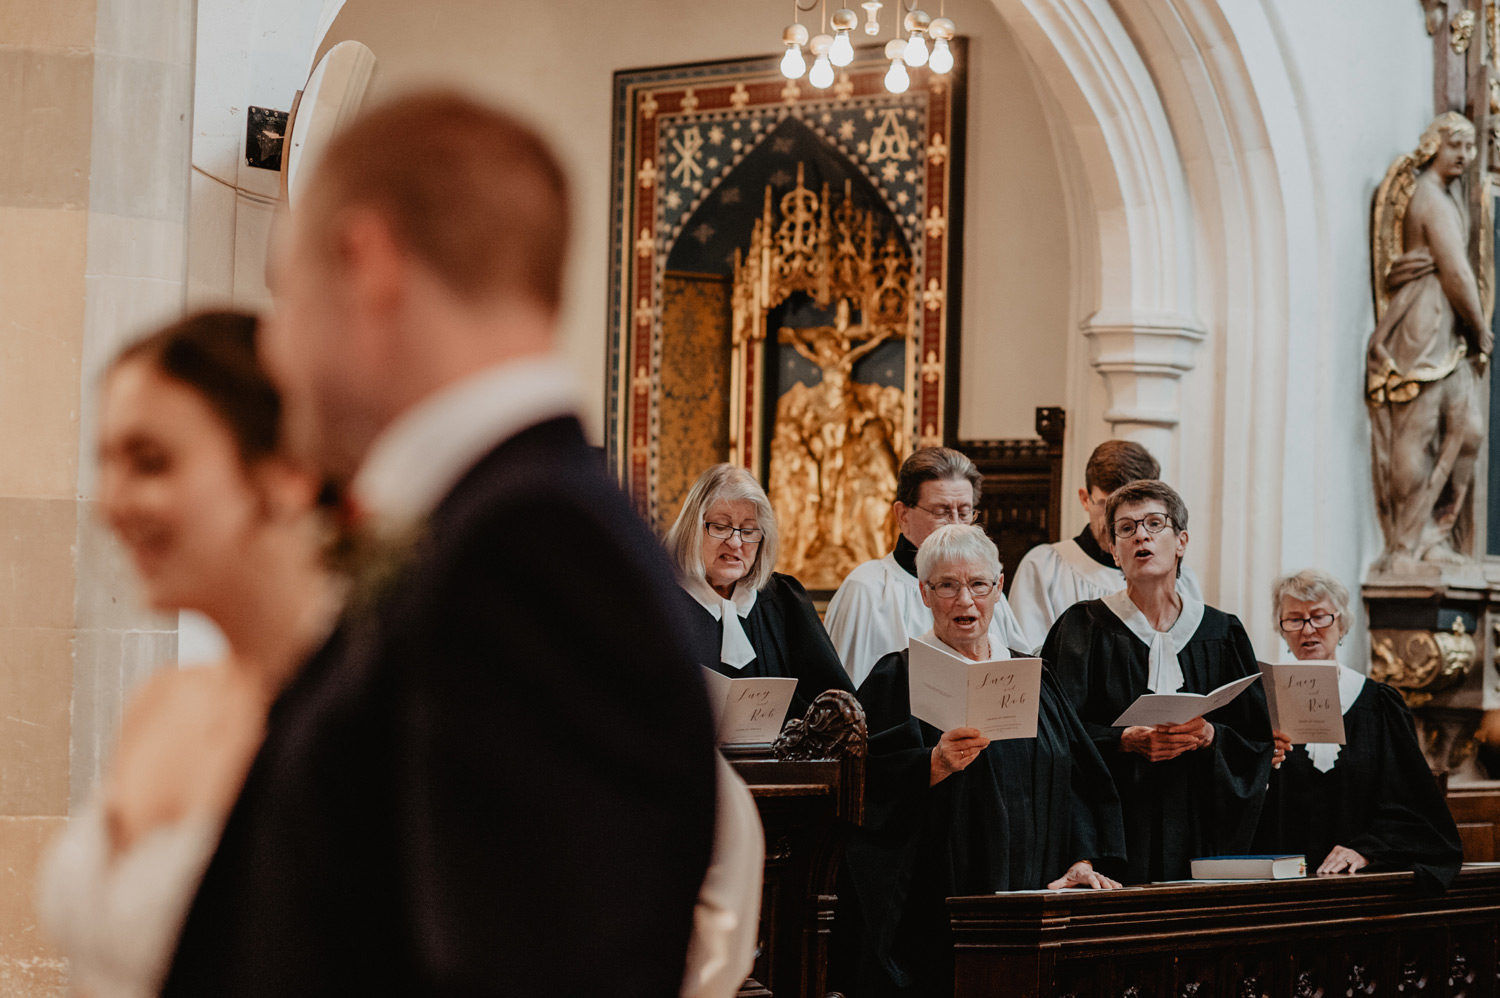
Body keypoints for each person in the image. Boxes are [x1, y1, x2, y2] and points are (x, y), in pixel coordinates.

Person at [161, 92, 719, 995]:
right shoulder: (494, 531)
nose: (272, 351)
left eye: (284, 292)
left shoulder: (534, 561)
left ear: (366, 261)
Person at [38, 310, 341, 997]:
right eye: (106, 464)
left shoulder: (365, 710)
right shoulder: (163, 703)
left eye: (150, 463)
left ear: (285, 473)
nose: (110, 504)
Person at [838, 525, 1125, 997]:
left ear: (999, 587)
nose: (965, 601)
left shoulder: (1036, 679)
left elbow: (1078, 779)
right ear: (924, 593)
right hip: (941, 920)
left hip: (1039, 903)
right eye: (947, 585)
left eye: (978, 585)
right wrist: (929, 766)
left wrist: (1081, 857)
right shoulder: (898, 678)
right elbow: (861, 793)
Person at [1043, 479, 1274, 883]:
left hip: (1200, 826)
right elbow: (1055, 736)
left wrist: (1209, 735)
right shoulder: (1082, 628)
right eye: (1126, 529)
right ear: (1114, 550)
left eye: (1154, 523)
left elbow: (1255, 740)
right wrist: (1124, 740)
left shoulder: (1222, 632)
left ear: (1181, 541)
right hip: (1115, 829)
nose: (1141, 537)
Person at [1253, 570, 1462, 891]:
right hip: (1280, 885)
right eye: (1293, 620)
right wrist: (1259, 765)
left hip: (1361, 882)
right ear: (1282, 631)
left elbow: (1412, 807)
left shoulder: (1379, 705)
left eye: (1319, 617)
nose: (1308, 630)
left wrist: (1368, 850)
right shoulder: (1259, 704)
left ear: (1342, 624)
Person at [1367, 112, 1492, 571]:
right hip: (1425, 323)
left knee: (1469, 432)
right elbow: (1457, 271)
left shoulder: (1447, 195)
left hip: (1447, 329)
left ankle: (1435, 534)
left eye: (1468, 147)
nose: (1463, 155)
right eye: (1454, 145)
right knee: (1417, 432)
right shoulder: (1429, 196)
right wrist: (1480, 328)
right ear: (1432, 146)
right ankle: (1403, 545)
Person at [825, 446, 1031, 686]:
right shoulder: (867, 590)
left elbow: (1018, 679)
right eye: (941, 512)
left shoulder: (984, 590)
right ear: (902, 515)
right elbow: (841, 697)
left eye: (964, 513)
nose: (955, 526)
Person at [666, 463, 854, 715]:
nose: (735, 542)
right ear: (693, 528)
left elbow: (835, 703)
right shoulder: (661, 602)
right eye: (720, 527)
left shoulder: (784, 600)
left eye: (748, 530)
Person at [1008, 439, 1202, 650]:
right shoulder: (1045, 568)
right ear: (1085, 498)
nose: (1114, 522)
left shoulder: (1181, 579)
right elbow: (1027, 659)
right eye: (1106, 506)